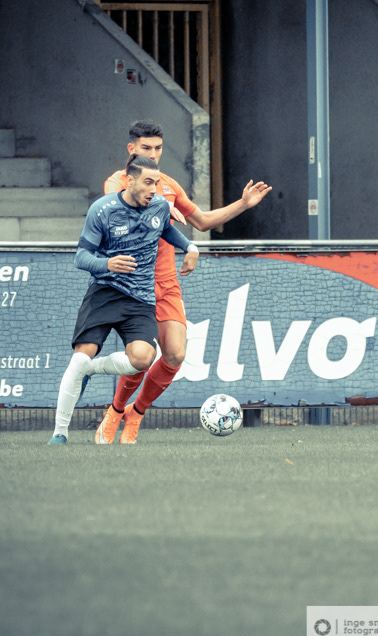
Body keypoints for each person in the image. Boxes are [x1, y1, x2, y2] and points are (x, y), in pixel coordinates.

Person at [94, 120, 271, 445]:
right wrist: (163, 205)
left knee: (175, 355)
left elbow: (201, 222)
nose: (153, 154)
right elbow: (121, 210)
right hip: (134, 285)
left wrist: (243, 204)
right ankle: (115, 412)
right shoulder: (117, 182)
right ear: (131, 149)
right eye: (146, 148)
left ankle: (136, 412)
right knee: (142, 355)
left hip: (166, 282)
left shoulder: (170, 185)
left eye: (158, 148)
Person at [47, 154, 195, 445]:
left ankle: (93, 369)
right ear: (129, 181)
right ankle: (59, 433)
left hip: (140, 299)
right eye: (148, 182)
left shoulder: (159, 206)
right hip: (105, 291)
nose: (154, 189)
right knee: (81, 356)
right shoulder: (102, 209)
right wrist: (107, 264)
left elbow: (166, 229)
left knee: (142, 359)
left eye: (157, 183)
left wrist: (190, 247)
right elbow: (81, 257)